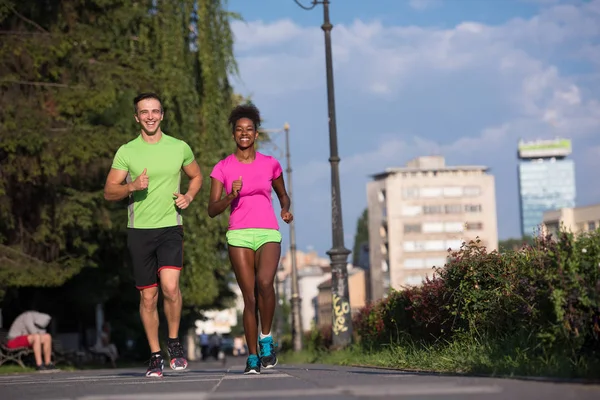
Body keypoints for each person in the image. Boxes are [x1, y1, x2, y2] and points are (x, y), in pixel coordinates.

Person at [103, 92, 203, 377]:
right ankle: (155, 355)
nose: (150, 116)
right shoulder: (127, 151)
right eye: (144, 112)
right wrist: (132, 186)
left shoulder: (179, 147)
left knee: (170, 288)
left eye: (155, 111)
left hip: (170, 227)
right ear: (137, 117)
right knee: (148, 298)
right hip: (139, 232)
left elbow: (196, 176)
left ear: (162, 115)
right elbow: (110, 191)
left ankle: (174, 343)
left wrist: (189, 196)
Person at [208, 104, 293, 375]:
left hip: (268, 231)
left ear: (256, 134)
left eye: (249, 130)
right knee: (249, 298)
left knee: (265, 284)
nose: (244, 134)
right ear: (234, 134)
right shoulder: (222, 168)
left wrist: (285, 210)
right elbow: (212, 210)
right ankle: (253, 357)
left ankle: (266, 338)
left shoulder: (270, 164)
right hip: (239, 234)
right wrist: (231, 196)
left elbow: (283, 194)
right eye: (239, 130)